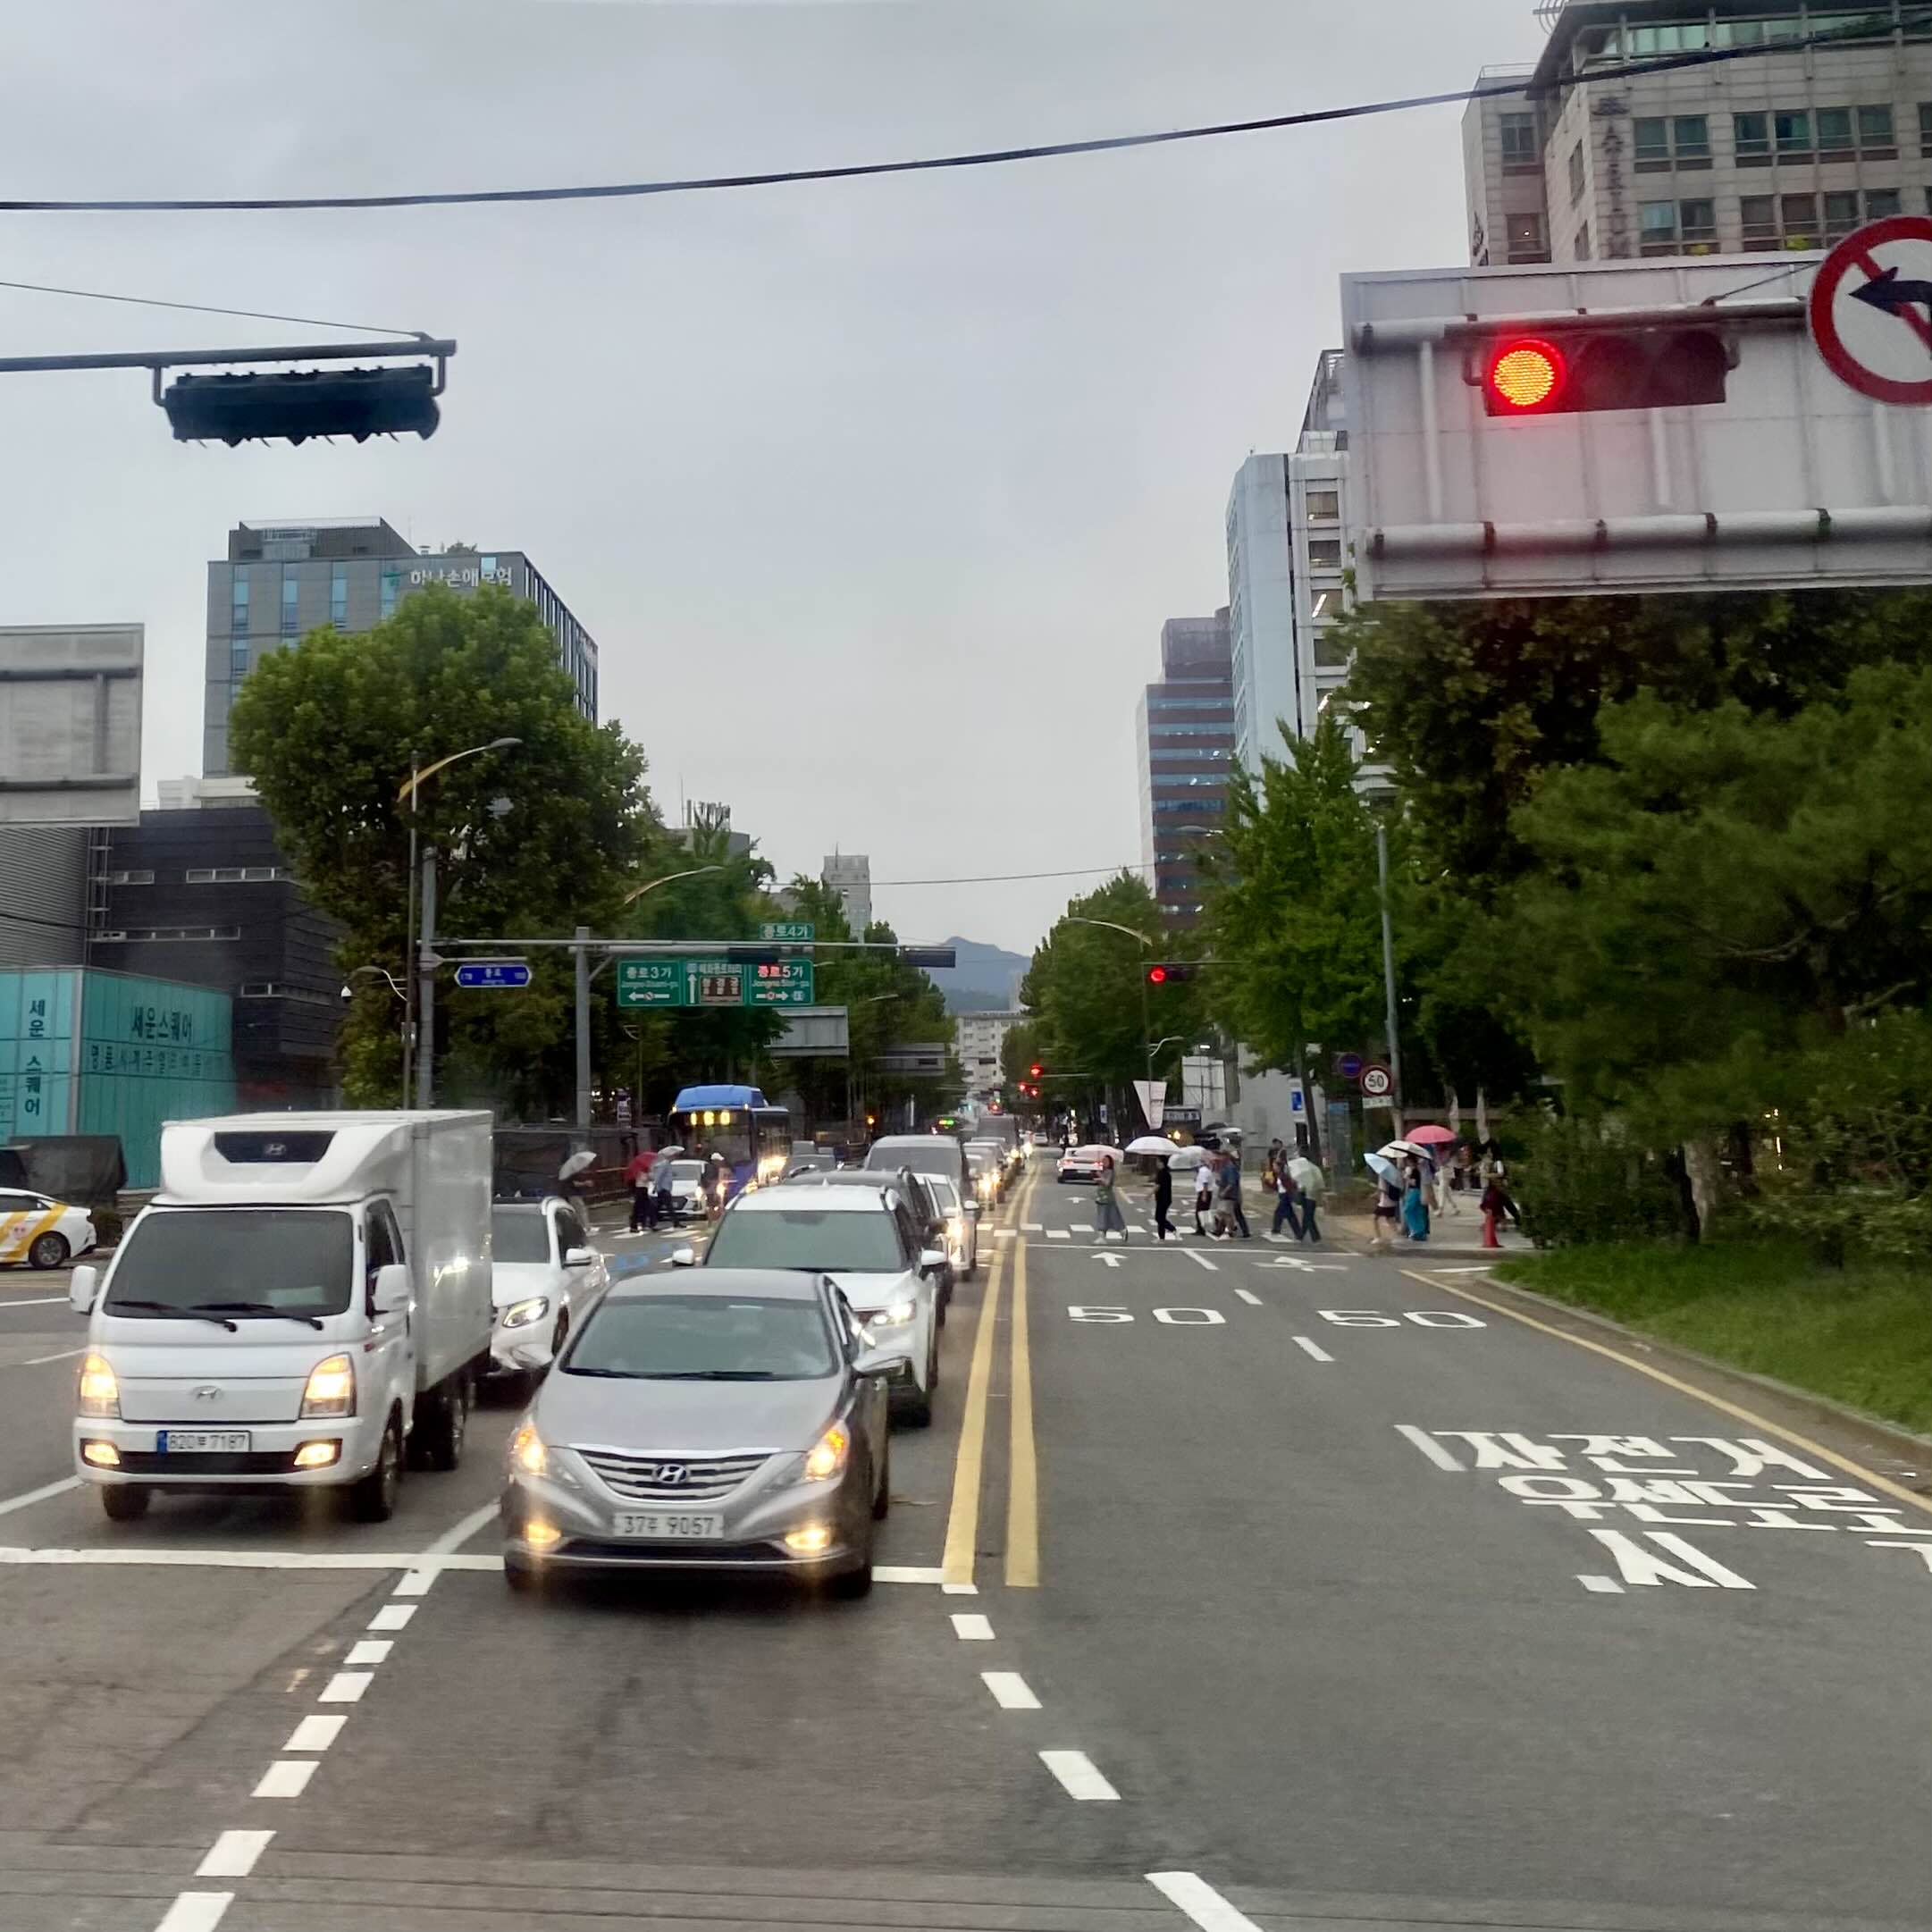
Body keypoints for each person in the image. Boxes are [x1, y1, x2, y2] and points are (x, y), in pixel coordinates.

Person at [1093, 1155, 1130, 1243]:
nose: (1104, 1162)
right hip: (1101, 1197)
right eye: (1103, 1160)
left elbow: (1107, 1183)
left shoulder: (1110, 1172)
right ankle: (1122, 1231)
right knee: (1110, 1215)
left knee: (1105, 1216)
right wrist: (1098, 1179)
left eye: (1106, 1161)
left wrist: (1100, 1176)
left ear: (1110, 1162)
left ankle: (1103, 1236)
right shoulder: (1104, 1171)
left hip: (1106, 1198)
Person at [1290, 1155, 1324, 1244]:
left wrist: (1297, 1186)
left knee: (1308, 1217)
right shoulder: (1315, 1169)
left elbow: (1302, 1186)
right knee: (1307, 1217)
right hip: (1313, 1196)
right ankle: (1302, 1236)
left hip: (1308, 1196)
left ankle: (1315, 1237)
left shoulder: (1305, 1171)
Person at [1219, 1147, 1251, 1239]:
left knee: (1226, 1213)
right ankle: (1222, 1229)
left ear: (1226, 1156)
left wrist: (1224, 1192)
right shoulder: (1227, 1167)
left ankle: (1231, 1230)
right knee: (1230, 1213)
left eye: (1222, 1156)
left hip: (1232, 1195)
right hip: (1232, 1195)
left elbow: (1231, 1183)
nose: (1220, 1158)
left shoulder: (1229, 1168)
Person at [626, 1146, 656, 1231]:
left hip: (643, 1189)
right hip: (640, 1189)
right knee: (641, 1207)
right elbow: (645, 1179)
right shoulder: (641, 1171)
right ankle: (636, 1225)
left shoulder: (644, 1170)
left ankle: (644, 1224)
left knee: (644, 1207)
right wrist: (650, 1175)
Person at [1400, 1156, 1431, 1241]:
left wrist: (1407, 1178)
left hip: (1414, 1191)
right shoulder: (1417, 1170)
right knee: (1418, 1210)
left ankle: (1415, 1229)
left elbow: (1414, 1183)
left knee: (1408, 1210)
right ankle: (1420, 1231)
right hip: (1417, 1191)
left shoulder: (1414, 1171)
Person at [1270, 1160, 1301, 1239]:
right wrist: (1268, 1182)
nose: (1273, 1167)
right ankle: (1298, 1233)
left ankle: (1276, 1230)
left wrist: (1291, 1198)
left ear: (1279, 1167)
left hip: (1285, 1197)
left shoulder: (1284, 1176)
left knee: (1278, 1213)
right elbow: (1276, 1187)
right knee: (1290, 1216)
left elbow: (1290, 1188)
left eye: (1274, 1166)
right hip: (1282, 1196)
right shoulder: (1278, 1175)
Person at [1370, 1173, 1401, 1251]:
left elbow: (1383, 1190)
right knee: (1390, 1219)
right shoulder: (1393, 1174)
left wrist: (1375, 1194)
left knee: (1374, 1218)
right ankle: (1398, 1235)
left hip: (1385, 1202)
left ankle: (1378, 1237)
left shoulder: (1382, 1176)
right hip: (1393, 1201)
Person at [1152, 1157, 1176, 1241]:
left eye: (1158, 1161)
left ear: (1162, 1163)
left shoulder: (1162, 1173)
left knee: (1159, 1218)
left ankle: (1172, 1229)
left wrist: (1149, 1194)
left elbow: (1158, 1186)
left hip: (1163, 1199)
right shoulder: (1165, 1173)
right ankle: (1161, 1237)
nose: (1156, 1163)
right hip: (1165, 1199)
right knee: (1161, 1218)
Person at [653, 1148, 678, 1227]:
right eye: (674, 1156)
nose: (675, 1158)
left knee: (659, 1207)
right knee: (669, 1207)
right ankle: (676, 1223)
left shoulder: (668, 1164)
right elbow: (659, 1176)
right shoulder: (664, 1164)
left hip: (666, 1188)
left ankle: (652, 1222)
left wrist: (673, 1174)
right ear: (670, 1156)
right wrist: (655, 1186)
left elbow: (666, 1176)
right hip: (663, 1189)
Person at [1193, 1161, 1215, 1237]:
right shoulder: (1204, 1171)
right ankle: (1203, 1228)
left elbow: (1205, 1183)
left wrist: (1204, 1195)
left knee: (1199, 1211)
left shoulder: (1203, 1171)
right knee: (1204, 1211)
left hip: (1204, 1192)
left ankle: (1201, 1229)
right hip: (1206, 1192)